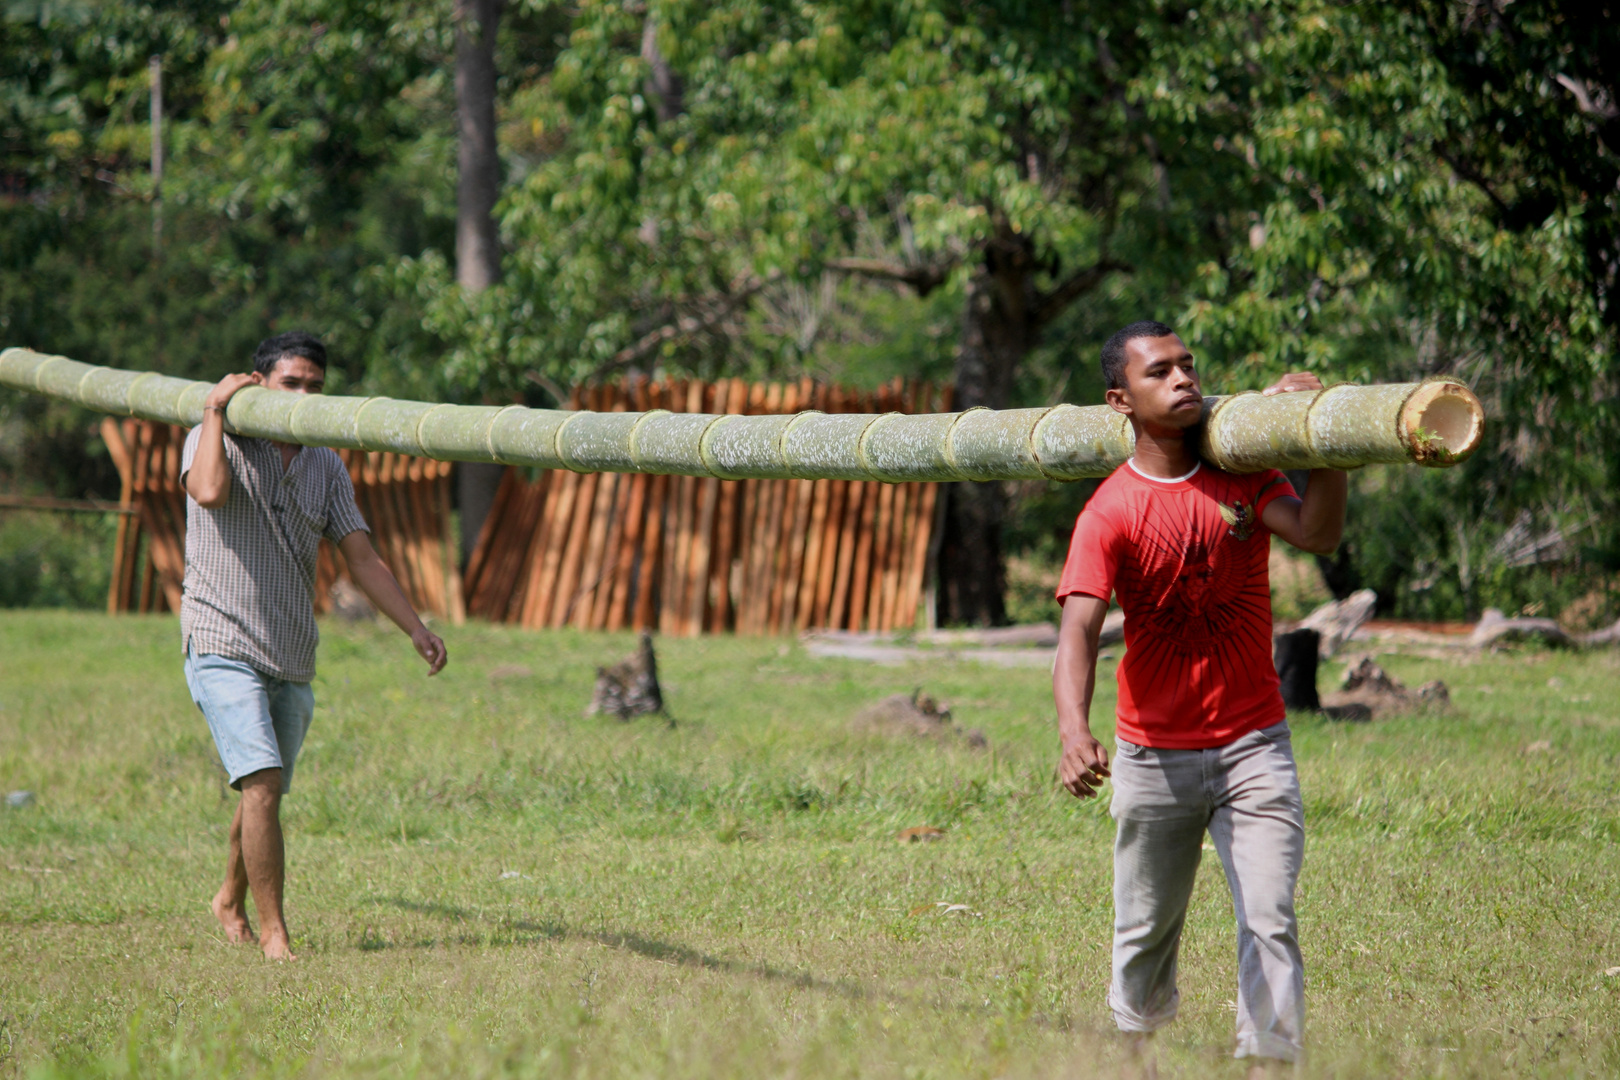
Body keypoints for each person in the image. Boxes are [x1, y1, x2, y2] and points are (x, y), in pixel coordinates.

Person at [1051, 321, 1347, 1075]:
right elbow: (1078, 632)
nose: (1183, 378)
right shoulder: (1110, 511)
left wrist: (1323, 443)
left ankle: (1267, 1064)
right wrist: (1071, 731)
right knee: (1146, 932)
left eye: (1188, 365)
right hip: (1153, 757)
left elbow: (1315, 533)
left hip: (1255, 745)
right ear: (1121, 400)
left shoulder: (1244, 473)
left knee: (1270, 918)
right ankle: (1136, 1060)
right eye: (1160, 372)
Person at [180, 331, 448, 960]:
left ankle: (227, 897)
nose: (304, 397)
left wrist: (415, 627)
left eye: (315, 386)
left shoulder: (326, 464)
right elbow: (210, 492)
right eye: (290, 383)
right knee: (264, 783)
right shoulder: (210, 435)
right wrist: (217, 409)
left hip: (292, 652)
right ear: (258, 383)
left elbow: (363, 556)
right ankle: (275, 936)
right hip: (219, 639)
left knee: (259, 792)